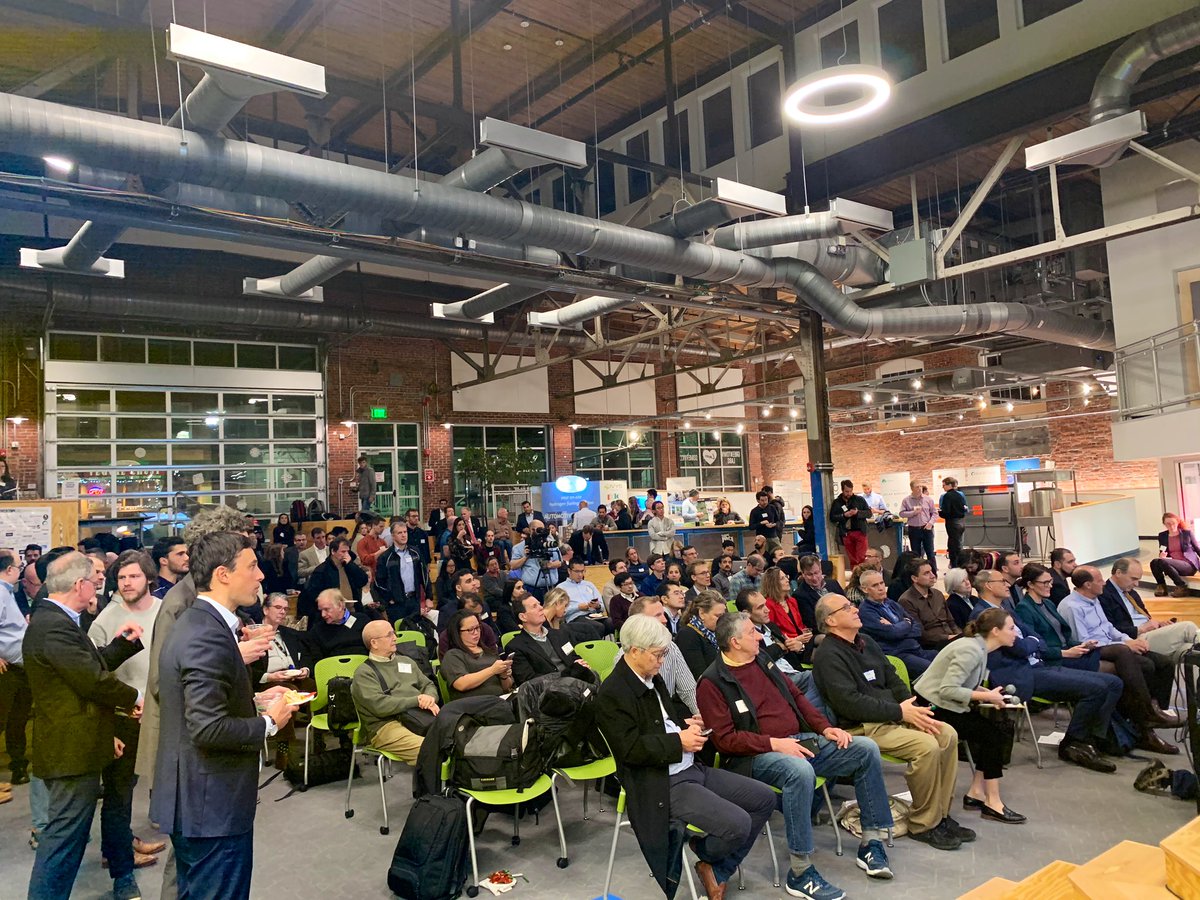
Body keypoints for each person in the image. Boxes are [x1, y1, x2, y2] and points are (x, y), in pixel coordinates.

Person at [698, 612, 895, 895]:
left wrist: (825, 728)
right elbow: (726, 741)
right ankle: (801, 870)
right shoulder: (712, 682)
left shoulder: (763, 660)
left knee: (864, 749)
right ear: (735, 642)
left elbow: (797, 697)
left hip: (798, 740)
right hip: (753, 757)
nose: (759, 636)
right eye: (753, 632)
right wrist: (775, 744)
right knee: (799, 770)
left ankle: (871, 841)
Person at [151, 532, 296, 900]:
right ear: (223, 574)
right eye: (252, 566)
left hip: (200, 801)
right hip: (210, 806)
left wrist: (256, 699)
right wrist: (270, 721)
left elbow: (201, 703)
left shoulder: (201, 624)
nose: (261, 575)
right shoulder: (205, 634)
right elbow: (208, 728)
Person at [596, 614, 777, 900]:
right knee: (738, 824)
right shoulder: (612, 693)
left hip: (691, 767)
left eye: (664, 654)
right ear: (634, 651)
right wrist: (678, 740)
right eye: (658, 655)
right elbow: (629, 750)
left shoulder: (651, 679)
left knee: (764, 799)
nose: (662, 661)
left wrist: (685, 726)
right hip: (662, 782)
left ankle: (715, 867)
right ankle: (702, 850)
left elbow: (661, 722)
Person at [25, 552, 147, 900]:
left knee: (68, 836)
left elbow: (85, 667)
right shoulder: (53, 626)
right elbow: (92, 681)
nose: (98, 587)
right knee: (63, 839)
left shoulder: (59, 621)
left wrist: (122, 645)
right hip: (70, 749)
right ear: (79, 585)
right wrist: (136, 698)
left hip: (78, 744)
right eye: (95, 581)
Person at [811, 594, 968, 852]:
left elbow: (893, 679)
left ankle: (941, 815)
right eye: (847, 607)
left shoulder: (867, 642)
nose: (854, 609)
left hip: (894, 714)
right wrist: (899, 712)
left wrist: (911, 708)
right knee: (926, 746)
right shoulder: (828, 655)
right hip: (861, 726)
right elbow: (849, 703)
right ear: (830, 620)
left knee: (947, 734)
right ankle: (924, 823)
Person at [969, 570, 1126, 770]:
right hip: (1019, 675)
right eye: (1002, 581)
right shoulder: (983, 614)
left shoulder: (1005, 609)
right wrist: (1031, 643)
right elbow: (1022, 647)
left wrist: (1032, 642)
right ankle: (1073, 743)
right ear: (989, 585)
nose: (1008, 584)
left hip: (1037, 665)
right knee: (1097, 688)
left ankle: (1092, 738)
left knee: (1113, 683)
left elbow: (1036, 638)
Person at [88, 551, 165, 876]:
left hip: (159, 712)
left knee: (151, 781)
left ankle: (124, 841)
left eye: (133, 576)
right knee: (119, 792)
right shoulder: (107, 618)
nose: (126, 583)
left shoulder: (164, 612)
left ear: (148, 578)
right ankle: (115, 853)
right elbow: (93, 671)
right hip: (123, 716)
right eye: (121, 578)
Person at [913, 608, 1025, 824]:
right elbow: (947, 689)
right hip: (930, 707)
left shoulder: (978, 647)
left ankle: (976, 793)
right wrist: (986, 697)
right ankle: (992, 801)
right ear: (995, 631)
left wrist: (988, 695)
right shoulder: (971, 650)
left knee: (993, 732)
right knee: (992, 735)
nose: (1015, 634)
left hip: (941, 702)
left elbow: (964, 686)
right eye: (1011, 629)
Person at [351, 620, 437, 766]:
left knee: (456, 739)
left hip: (419, 716)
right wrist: (417, 700)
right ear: (374, 643)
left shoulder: (406, 661)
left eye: (394, 633)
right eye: (389, 635)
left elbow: (428, 684)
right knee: (432, 749)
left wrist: (430, 698)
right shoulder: (364, 673)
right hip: (386, 726)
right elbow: (380, 706)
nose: (395, 638)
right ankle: (435, 788)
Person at [1101, 557, 1197, 668]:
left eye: (1138, 580)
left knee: (1186, 648)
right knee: (1187, 627)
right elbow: (1108, 629)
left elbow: (1145, 617)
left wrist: (1159, 624)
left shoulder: (1131, 593)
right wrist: (1140, 629)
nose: (1136, 584)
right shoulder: (1104, 594)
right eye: (1133, 579)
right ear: (1118, 573)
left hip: (1149, 633)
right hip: (1134, 639)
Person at [856, 566, 937, 679]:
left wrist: (897, 627)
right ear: (865, 589)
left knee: (949, 658)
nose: (881, 588)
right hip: (898, 654)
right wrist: (906, 623)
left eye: (882, 583)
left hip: (916, 649)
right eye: (875, 585)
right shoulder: (866, 612)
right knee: (933, 669)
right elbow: (892, 634)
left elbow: (917, 629)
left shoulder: (892, 603)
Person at [508, 594, 595, 685]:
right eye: (534, 606)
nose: (541, 608)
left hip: (574, 683)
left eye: (539, 604)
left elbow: (573, 656)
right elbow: (528, 681)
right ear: (523, 617)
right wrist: (567, 674)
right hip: (550, 691)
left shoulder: (558, 634)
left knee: (594, 676)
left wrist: (579, 663)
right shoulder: (516, 647)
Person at [0, 550, 32, 792]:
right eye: (19, 566)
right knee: (3, 720)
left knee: (17, 720)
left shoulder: (8, 592)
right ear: (9, 569)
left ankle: (18, 765)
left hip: (20, 667)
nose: (21, 570)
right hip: (6, 669)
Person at [441, 610, 513, 701]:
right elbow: (461, 684)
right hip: (474, 705)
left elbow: (506, 688)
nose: (476, 632)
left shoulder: (489, 652)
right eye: (470, 630)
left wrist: (504, 676)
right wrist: (492, 670)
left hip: (500, 700)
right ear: (457, 633)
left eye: (478, 628)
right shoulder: (453, 655)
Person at [298, 537, 370, 625]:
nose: (346, 555)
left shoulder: (349, 566)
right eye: (343, 551)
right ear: (333, 551)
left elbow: (363, 580)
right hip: (331, 615)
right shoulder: (322, 570)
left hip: (352, 610)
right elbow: (313, 594)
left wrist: (351, 565)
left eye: (348, 551)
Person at [375, 522, 432, 624]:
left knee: (415, 631)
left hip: (413, 600)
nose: (403, 535)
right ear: (393, 536)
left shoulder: (415, 552)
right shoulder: (385, 557)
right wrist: (389, 599)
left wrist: (429, 597)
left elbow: (425, 575)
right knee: (400, 632)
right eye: (399, 533)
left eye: (405, 532)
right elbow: (379, 581)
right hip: (396, 604)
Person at [898, 559, 961, 650]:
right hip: (932, 645)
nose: (932, 575)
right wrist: (949, 638)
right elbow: (921, 634)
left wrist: (959, 635)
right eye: (926, 573)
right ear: (914, 578)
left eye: (931, 571)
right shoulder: (906, 601)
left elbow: (951, 621)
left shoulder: (938, 594)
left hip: (951, 638)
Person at [675, 590, 726, 679]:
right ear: (702, 613)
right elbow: (699, 674)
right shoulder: (687, 635)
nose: (722, 620)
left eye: (723, 616)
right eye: (718, 616)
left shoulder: (717, 633)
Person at [308, 590, 370, 661]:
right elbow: (316, 660)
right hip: (332, 669)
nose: (323, 614)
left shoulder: (362, 620)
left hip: (363, 668)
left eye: (327, 609)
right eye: (321, 610)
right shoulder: (317, 630)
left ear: (340, 605)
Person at [1153, 513, 1200, 597]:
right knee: (1154, 562)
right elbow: (1162, 550)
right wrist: (1162, 555)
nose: (1171, 526)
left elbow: (1197, 548)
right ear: (1164, 524)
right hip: (1172, 564)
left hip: (1188, 564)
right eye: (1168, 524)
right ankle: (1161, 586)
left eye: (1173, 523)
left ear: (1177, 522)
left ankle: (1181, 586)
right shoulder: (1162, 536)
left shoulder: (1187, 533)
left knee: (1163, 562)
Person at [898, 481, 939, 575]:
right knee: (916, 554)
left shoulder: (928, 499)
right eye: (917, 486)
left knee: (930, 553)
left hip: (926, 529)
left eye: (920, 486)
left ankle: (933, 574)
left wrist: (930, 523)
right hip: (913, 529)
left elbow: (935, 513)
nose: (919, 488)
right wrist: (913, 513)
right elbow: (901, 513)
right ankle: (918, 573)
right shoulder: (906, 500)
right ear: (912, 488)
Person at [829, 480, 870, 567]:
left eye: (851, 491)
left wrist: (858, 513)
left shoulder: (860, 500)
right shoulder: (837, 502)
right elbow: (832, 517)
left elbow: (869, 513)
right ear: (842, 490)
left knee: (862, 557)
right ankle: (855, 575)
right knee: (852, 558)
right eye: (847, 491)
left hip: (860, 532)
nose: (849, 493)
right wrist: (844, 515)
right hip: (846, 533)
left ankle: (863, 575)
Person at [938, 477, 967, 568]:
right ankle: (961, 566)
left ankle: (955, 568)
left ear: (949, 485)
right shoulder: (960, 495)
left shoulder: (947, 496)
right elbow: (964, 509)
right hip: (961, 523)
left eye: (944, 485)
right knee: (959, 546)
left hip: (953, 524)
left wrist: (939, 512)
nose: (943, 487)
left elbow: (946, 512)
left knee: (953, 547)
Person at [150, 537, 189, 601]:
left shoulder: (185, 586)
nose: (187, 558)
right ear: (163, 561)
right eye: (180, 554)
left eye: (187, 553)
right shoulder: (155, 593)